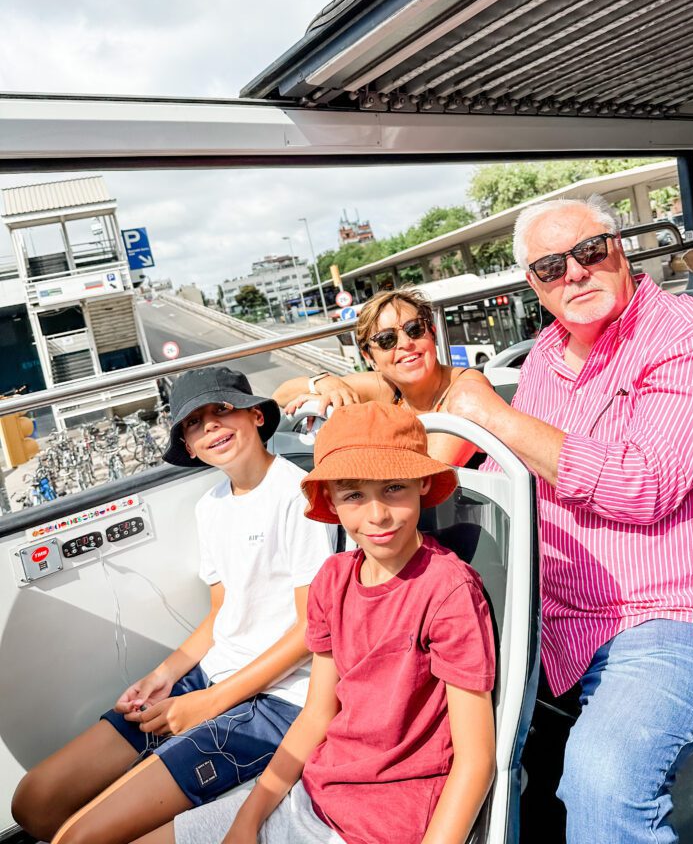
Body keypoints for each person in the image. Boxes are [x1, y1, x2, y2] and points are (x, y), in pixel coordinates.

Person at [447, 194, 693, 844]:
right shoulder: (544, 354)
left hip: (681, 612)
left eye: (589, 252)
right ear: (534, 285)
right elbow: (505, 473)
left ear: (619, 250)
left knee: (602, 778)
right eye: (549, 266)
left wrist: (494, 413)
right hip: (558, 611)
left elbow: (641, 483)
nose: (575, 273)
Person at [132, 401, 497, 844]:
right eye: (354, 495)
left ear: (422, 483)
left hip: (388, 822)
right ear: (331, 500)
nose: (377, 515)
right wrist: (247, 822)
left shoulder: (448, 591)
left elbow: (477, 760)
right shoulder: (332, 580)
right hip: (313, 794)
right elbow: (317, 714)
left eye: (394, 488)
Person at [12, 367, 332, 844]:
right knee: (35, 802)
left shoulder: (298, 497)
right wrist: (163, 676)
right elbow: (222, 616)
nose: (212, 427)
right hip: (211, 676)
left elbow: (312, 630)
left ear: (255, 416)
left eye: (222, 410)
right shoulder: (213, 505)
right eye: (195, 422)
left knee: (76, 838)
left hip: (276, 701)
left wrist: (209, 704)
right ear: (188, 444)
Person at [273, 286, 491, 466]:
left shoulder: (467, 387)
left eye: (414, 329)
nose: (406, 344)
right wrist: (326, 385)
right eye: (387, 340)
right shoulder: (387, 388)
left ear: (432, 331)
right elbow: (280, 395)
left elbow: (426, 472)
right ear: (369, 358)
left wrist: (352, 416)